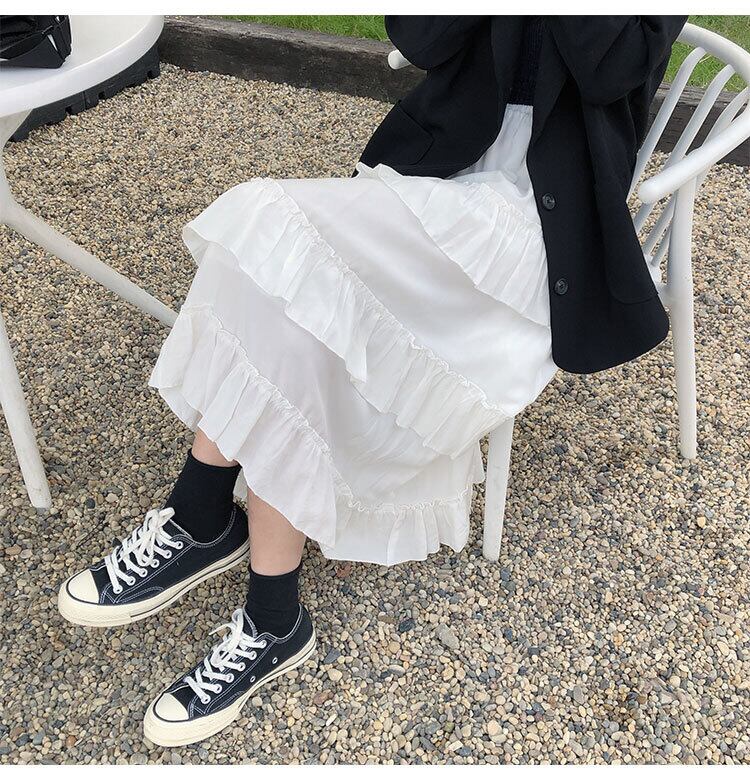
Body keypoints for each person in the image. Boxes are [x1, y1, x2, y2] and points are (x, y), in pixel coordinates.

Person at [57, 15, 687, 747]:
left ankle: (206, 522)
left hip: (539, 231)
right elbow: (421, 38)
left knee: (272, 228)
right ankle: (266, 607)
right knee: (278, 285)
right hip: (444, 177)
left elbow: (611, 68)